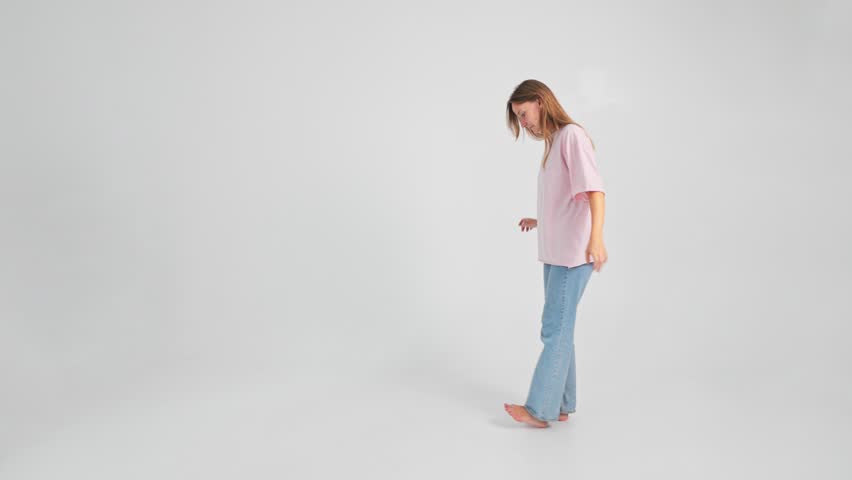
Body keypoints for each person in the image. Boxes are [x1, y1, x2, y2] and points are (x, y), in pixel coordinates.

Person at [502, 79, 608, 428]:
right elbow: (568, 198)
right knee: (562, 327)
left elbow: (594, 191)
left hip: (572, 255)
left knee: (554, 329)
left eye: (523, 113)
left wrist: (597, 240)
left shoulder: (571, 136)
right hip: (556, 252)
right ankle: (562, 403)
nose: (524, 122)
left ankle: (540, 410)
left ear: (540, 102)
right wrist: (541, 219)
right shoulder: (553, 143)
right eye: (519, 118)